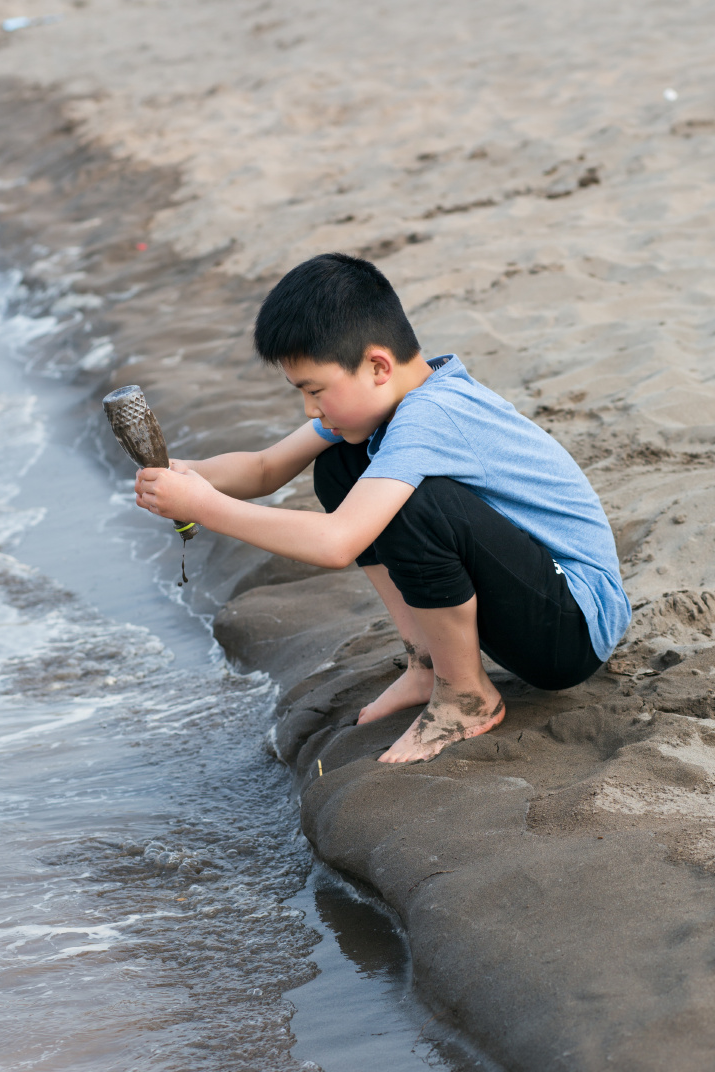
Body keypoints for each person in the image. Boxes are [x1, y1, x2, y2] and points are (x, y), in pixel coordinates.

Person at [135, 253, 631, 764]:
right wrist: (183, 475)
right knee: (341, 464)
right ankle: (427, 663)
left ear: (377, 366)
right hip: (530, 600)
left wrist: (204, 508)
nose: (309, 409)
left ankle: (467, 698)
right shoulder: (394, 401)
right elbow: (264, 468)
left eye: (315, 390)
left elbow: (337, 541)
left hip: (571, 629)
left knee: (416, 505)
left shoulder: (430, 417)